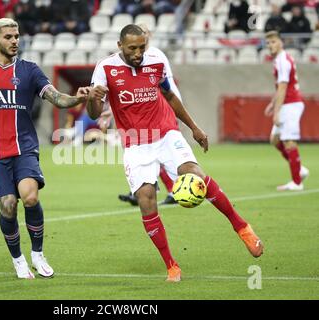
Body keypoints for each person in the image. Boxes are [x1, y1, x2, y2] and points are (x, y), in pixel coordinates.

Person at [87, 24, 263, 282]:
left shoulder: (156, 62)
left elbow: (170, 96)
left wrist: (194, 127)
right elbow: (93, 112)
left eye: (141, 47)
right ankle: (172, 265)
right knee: (146, 200)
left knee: (197, 175)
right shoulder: (105, 68)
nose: (138, 53)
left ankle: (242, 227)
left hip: (166, 133)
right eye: (132, 48)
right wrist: (93, 98)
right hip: (135, 144)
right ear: (120, 46)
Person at [0, 18, 90, 279]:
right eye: (8, 37)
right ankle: (18, 258)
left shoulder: (29, 70)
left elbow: (56, 97)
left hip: (24, 148)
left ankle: (38, 254)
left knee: (30, 197)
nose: (14, 41)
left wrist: (78, 98)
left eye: (17, 36)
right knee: (8, 205)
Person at [115, 23, 181, 206]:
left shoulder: (155, 56)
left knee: (154, 151)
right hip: (149, 113)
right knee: (146, 152)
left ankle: (172, 190)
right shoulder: (132, 62)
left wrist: (174, 109)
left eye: (143, 33)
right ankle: (142, 190)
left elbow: (166, 87)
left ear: (148, 35)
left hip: (163, 110)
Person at [264, 31, 309, 191]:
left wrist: (276, 112)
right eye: (268, 43)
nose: (270, 45)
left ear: (281, 42)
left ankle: (297, 182)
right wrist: (272, 103)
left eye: (273, 42)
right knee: (275, 140)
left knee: (289, 141)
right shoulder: (280, 60)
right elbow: (280, 87)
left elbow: (283, 88)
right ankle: (300, 169)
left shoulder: (283, 61)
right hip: (286, 104)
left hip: (291, 104)